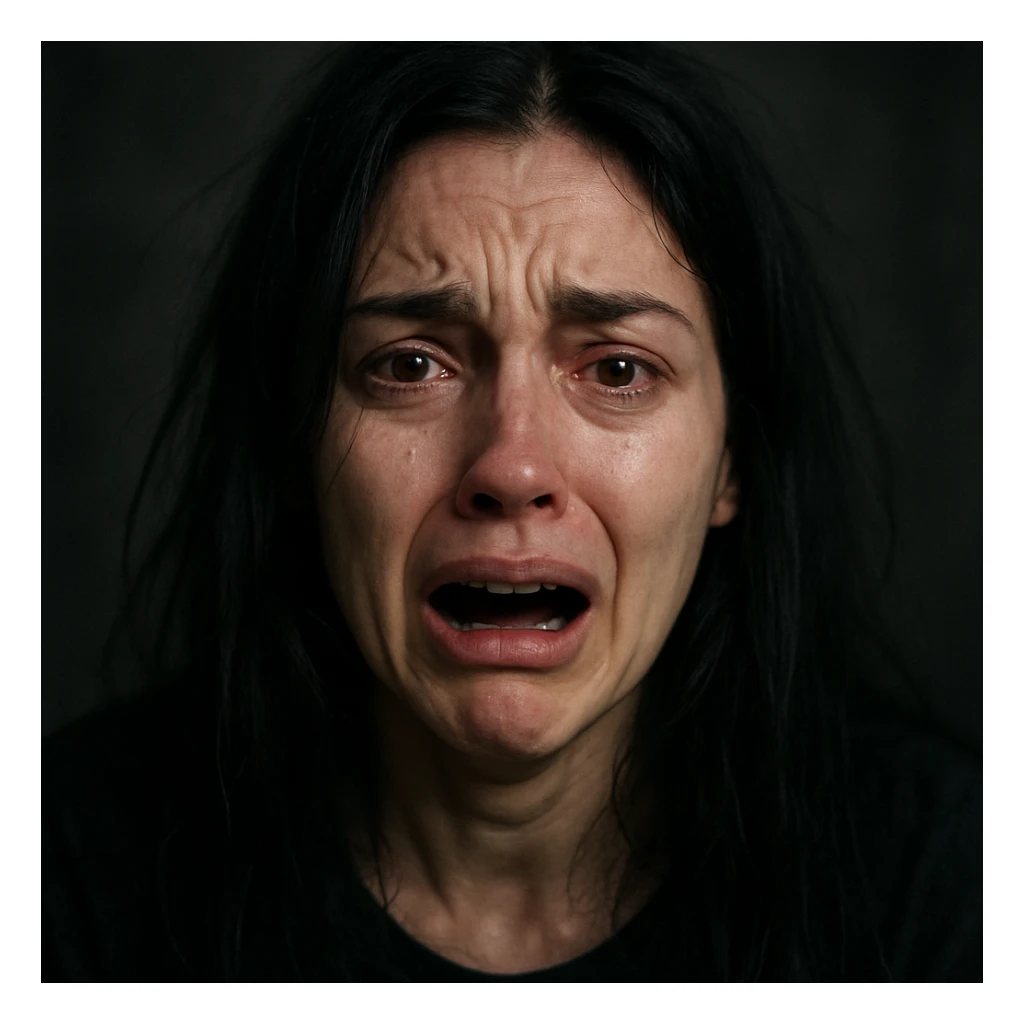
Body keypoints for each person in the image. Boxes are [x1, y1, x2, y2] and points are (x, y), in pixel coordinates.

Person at [42, 42, 981, 982]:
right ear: (293, 446)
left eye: (618, 369)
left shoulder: (948, 890)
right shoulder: (61, 880)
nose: (512, 465)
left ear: (733, 459)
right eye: (411, 364)